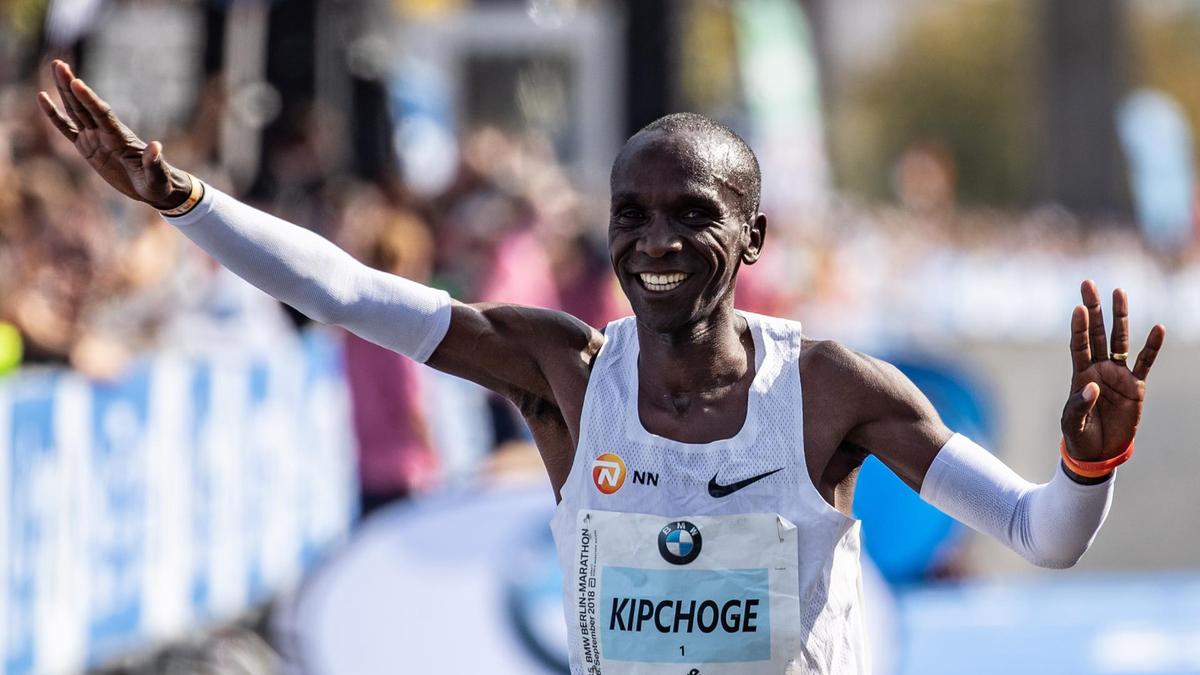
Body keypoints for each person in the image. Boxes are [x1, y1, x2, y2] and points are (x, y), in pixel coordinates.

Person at [39, 60, 1165, 674]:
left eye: (694, 214)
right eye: (633, 214)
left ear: (758, 241)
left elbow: (1041, 536)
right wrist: (179, 198)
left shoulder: (834, 393)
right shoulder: (563, 370)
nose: (657, 242)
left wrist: (1088, 460)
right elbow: (348, 293)